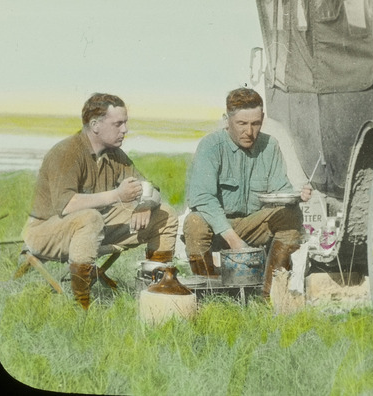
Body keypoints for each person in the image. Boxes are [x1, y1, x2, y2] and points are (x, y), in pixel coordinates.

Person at [23, 93, 178, 309]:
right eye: (118, 124)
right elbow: (66, 205)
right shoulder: (67, 152)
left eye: (125, 123)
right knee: (90, 217)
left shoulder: (115, 154)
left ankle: (157, 291)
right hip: (45, 232)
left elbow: (149, 187)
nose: (125, 130)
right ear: (95, 125)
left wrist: (145, 204)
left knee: (165, 214)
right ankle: (81, 306)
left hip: (94, 227)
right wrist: (116, 195)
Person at [183, 87, 312, 298]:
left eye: (255, 123)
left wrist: (298, 194)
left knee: (291, 214)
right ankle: (211, 294)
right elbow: (202, 198)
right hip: (218, 226)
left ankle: (268, 295)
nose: (249, 132)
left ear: (263, 119)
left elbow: (280, 190)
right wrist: (232, 239)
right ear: (227, 120)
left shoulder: (270, 146)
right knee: (194, 222)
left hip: (253, 224)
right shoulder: (211, 146)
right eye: (241, 124)